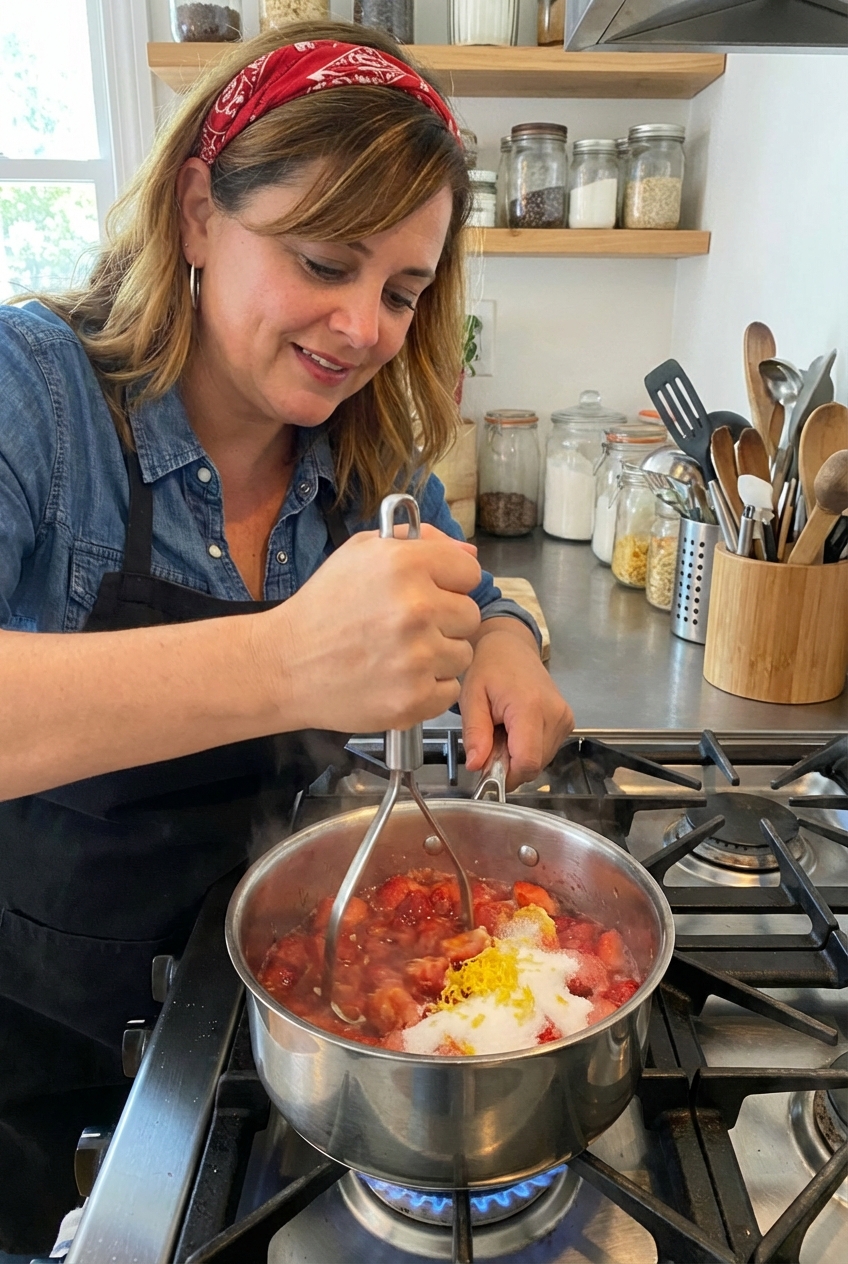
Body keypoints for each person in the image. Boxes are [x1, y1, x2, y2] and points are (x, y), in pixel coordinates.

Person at [0, 19, 574, 1253]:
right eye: (324, 260)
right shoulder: (34, 396)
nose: (363, 327)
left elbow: (478, 589)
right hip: (34, 1064)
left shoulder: (362, 457)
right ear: (199, 212)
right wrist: (280, 660)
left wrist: (502, 641)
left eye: (401, 292)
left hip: (286, 1049)